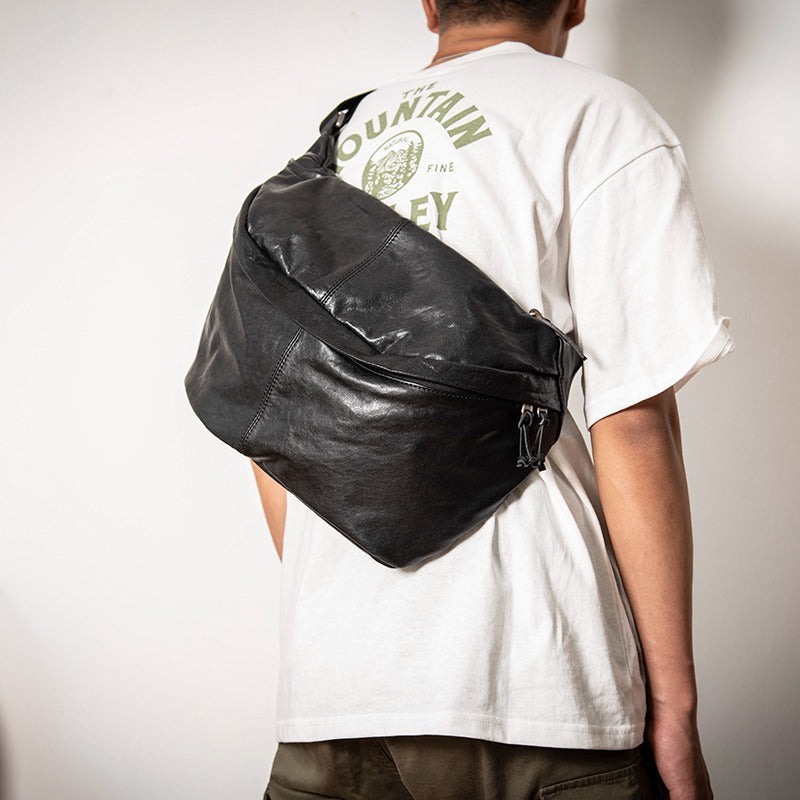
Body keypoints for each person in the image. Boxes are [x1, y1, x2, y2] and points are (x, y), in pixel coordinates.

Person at [250, 1, 735, 798]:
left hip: (332, 695)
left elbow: (269, 427)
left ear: (429, 5)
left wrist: (356, 590)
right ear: (574, 2)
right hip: (532, 680)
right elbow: (631, 424)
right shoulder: (599, 117)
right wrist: (676, 713)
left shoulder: (328, 152)